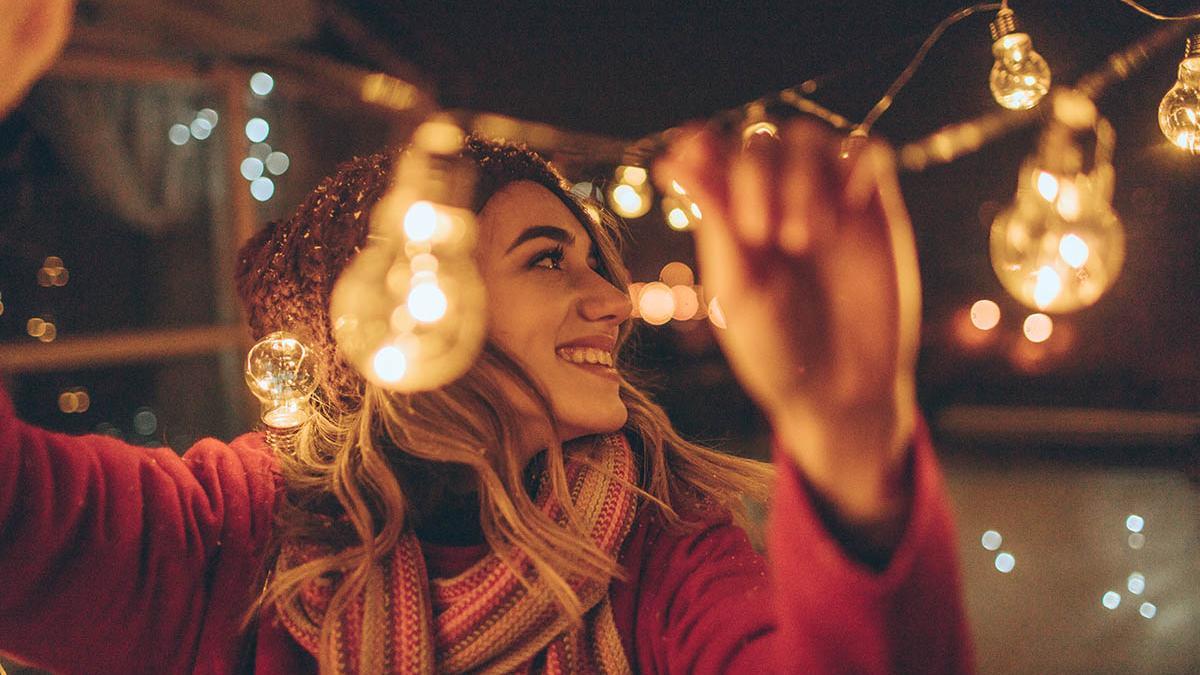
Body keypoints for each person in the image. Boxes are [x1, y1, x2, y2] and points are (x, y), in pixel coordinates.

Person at [0, 5, 971, 673]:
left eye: (598, 259)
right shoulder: (232, 537)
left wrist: (850, 431)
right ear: (396, 299)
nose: (617, 301)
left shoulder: (665, 553)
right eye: (551, 259)